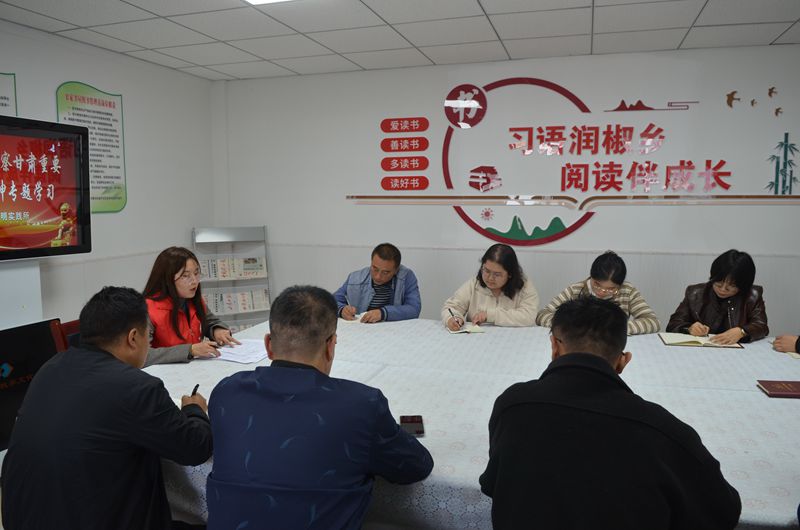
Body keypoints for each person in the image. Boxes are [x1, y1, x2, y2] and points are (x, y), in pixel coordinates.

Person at [480, 297, 741, 529]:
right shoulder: (663, 432)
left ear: (554, 347)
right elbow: (722, 512)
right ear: (622, 361)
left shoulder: (513, 406)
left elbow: (493, 484)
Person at [207, 285, 433, 529]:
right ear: (330, 346)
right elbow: (415, 466)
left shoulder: (226, 393)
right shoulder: (361, 405)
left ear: (268, 345)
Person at [0, 286, 213, 530]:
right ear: (133, 338)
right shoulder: (137, 387)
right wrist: (195, 410)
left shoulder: (52, 367)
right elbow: (195, 448)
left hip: (22, 518)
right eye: (148, 337)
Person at [143, 246, 239, 365]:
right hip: (163, 372)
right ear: (167, 279)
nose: (194, 281)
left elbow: (211, 322)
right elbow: (143, 355)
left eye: (196, 273)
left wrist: (217, 330)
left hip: (193, 367)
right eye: (185, 276)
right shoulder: (146, 309)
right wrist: (190, 350)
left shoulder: (192, 299)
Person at [535, 250, 660, 335]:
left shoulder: (627, 291)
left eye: (611, 289)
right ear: (591, 277)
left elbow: (653, 322)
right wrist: (571, 325)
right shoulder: (576, 290)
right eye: (597, 285)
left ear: (620, 285)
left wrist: (618, 328)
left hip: (612, 345)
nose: (602, 292)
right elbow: (542, 315)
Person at [667, 249, 768, 344]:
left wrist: (742, 331)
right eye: (718, 283)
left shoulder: (752, 296)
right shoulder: (695, 293)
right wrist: (689, 328)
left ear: (743, 286)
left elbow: (762, 326)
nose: (723, 289)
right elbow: (674, 323)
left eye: (731, 286)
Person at [442, 243, 538, 330]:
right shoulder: (474, 284)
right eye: (487, 271)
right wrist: (453, 318)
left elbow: (529, 316)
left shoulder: (524, 286)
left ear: (510, 274)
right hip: (477, 339)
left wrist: (490, 315)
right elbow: (451, 307)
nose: (490, 278)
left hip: (514, 339)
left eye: (497, 274)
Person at [334, 242, 421, 323]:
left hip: (394, 330)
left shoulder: (406, 277)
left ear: (396, 270)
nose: (378, 276)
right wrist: (342, 310)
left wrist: (383, 313)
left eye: (385, 272)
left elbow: (414, 309)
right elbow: (333, 300)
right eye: (375, 269)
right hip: (363, 328)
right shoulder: (356, 278)